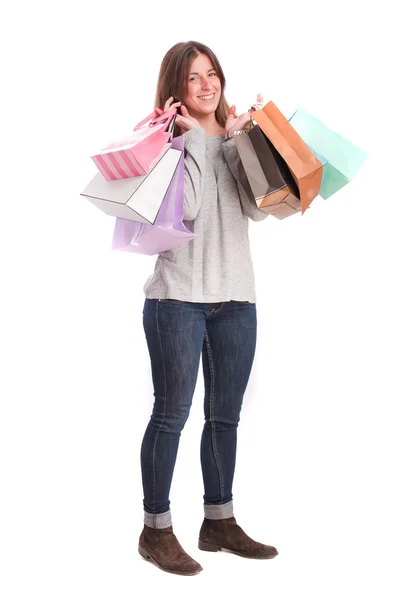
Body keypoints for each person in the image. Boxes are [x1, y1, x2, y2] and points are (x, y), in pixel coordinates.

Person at [138, 41, 278, 576]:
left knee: (225, 418)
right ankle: (155, 530)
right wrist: (193, 138)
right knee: (171, 415)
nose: (206, 84)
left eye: (212, 73)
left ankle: (219, 522)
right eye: (193, 77)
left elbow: (256, 210)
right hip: (176, 299)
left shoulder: (233, 134)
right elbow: (189, 208)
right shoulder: (166, 140)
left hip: (236, 297)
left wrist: (246, 140)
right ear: (177, 87)